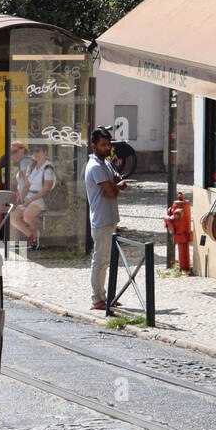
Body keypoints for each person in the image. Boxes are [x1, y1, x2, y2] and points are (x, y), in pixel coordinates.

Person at [85, 126, 127, 311]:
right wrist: (118, 185)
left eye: (108, 144)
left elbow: (116, 181)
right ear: (94, 146)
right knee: (100, 260)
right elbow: (112, 192)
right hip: (101, 219)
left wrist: (117, 184)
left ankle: (105, 296)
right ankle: (97, 299)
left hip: (109, 218)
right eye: (103, 145)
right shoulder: (95, 166)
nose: (107, 148)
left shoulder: (106, 164)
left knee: (105, 260)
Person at [10, 145, 56, 248]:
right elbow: (27, 184)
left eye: (38, 151)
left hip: (42, 198)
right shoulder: (33, 166)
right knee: (13, 217)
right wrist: (22, 198)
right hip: (30, 195)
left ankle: (37, 234)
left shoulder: (48, 168)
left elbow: (46, 189)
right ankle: (32, 235)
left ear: (44, 153)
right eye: (33, 151)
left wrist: (30, 199)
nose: (35, 154)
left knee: (27, 215)